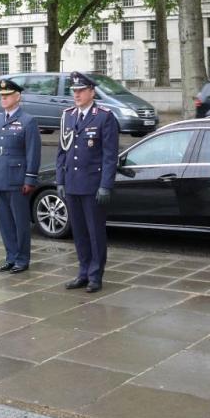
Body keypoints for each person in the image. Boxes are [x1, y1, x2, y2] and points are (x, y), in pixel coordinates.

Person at [56, 71, 119, 293]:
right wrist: (60, 180)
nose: (77, 94)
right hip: (72, 183)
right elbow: (62, 151)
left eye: (81, 90)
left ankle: (95, 275)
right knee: (79, 232)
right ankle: (83, 272)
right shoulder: (68, 116)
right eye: (74, 91)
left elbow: (110, 155)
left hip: (93, 185)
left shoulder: (104, 116)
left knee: (95, 232)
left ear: (92, 92)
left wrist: (105, 185)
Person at [0, 78, 41, 274]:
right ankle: (10, 256)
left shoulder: (27, 121)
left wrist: (30, 179)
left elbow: (33, 153)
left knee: (20, 223)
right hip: (0, 179)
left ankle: (22, 259)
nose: (3, 99)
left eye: (7, 95)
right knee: (5, 223)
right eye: (1, 96)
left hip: (18, 181)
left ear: (17, 97)